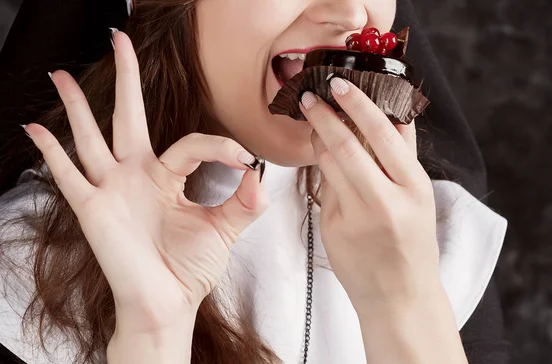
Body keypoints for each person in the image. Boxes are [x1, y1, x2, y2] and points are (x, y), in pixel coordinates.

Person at [0, 0, 510, 363]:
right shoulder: (20, 269)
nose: (354, 13)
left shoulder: (431, 234)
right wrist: (152, 334)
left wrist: (403, 301)